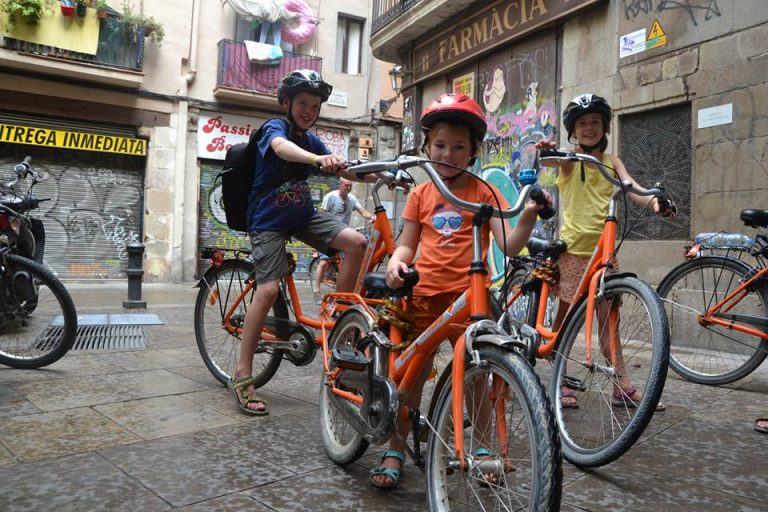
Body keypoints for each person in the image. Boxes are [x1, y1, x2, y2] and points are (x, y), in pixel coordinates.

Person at [369, 93, 550, 490]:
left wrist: (529, 217)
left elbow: (508, 243)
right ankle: (395, 447)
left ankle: (483, 448)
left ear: (473, 152)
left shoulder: (483, 192)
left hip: (469, 300)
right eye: (439, 145)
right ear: (426, 147)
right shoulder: (421, 194)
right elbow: (407, 242)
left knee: (476, 377)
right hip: (422, 297)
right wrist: (396, 262)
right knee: (410, 379)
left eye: (458, 147)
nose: (447, 154)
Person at [228, 69, 375, 416]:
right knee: (267, 291)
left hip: (302, 216)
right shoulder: (274, 130)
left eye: (315, 105)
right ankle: (242, 373)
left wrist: (385, 174)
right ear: (286, 103)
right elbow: (281, 149)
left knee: (356, 243)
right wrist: (316, 160)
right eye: (303, 103)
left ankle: (341, 321)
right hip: (266, 221)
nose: (309, 110)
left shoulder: (311, 140)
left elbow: (346, 170)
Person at [536, 93, 674, 411]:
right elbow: (555, 161)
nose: (589, 128)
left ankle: (621, 385)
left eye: (595, 122)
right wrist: (548, 151)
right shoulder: (571, 159)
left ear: (605, 126)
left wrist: (655, 202)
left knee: (608, 321)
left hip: (605, 254)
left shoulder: (613, 161)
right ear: (573, 130)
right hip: (573, 253)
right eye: (582, 123)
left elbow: (632, 188)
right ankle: (558, 380)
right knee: (565, 321)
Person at [312, 178, 374, 303]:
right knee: (324, 263)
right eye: (346, 185)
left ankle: (341, 296)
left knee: (349, 264)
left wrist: (373, 216)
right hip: (329, 233)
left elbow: (364, 213)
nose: (348, 188)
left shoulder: (352, 199)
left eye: (350, 186)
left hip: (343, 235)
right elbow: (321, 215)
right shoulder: (330, 197)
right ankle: (316, 290)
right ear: (340, 184)